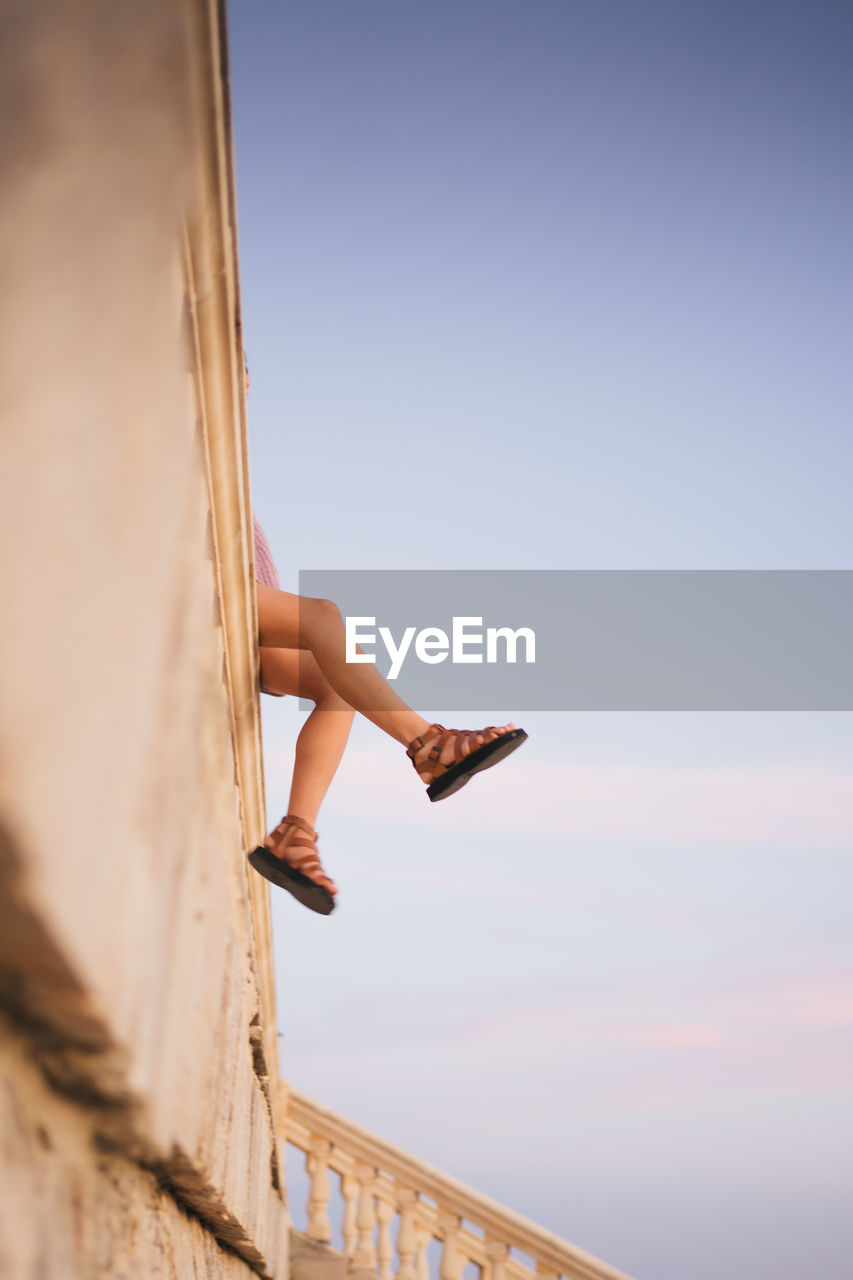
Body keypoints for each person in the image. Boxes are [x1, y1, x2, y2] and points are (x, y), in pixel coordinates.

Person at [245, 373, 527, 916]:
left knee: (338, 679)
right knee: (324, 617)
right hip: (204, 581)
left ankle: (295, 832)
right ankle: (429, 745)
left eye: (248, 378)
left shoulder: (230, 457)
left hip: (252, 609)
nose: (244, 386)